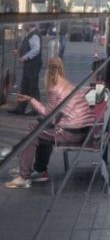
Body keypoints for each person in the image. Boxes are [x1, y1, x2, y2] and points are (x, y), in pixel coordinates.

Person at [4, 58, 95, 189]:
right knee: (37, 128)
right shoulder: (67, 84)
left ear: (48, 73)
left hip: (70, 133)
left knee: (34, 134)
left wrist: (31, 100)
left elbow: (49, 115)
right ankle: (40, 170)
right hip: (82, 131)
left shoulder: (55, 88)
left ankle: (24, 176)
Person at [10, 23, 43, 115]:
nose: (23, 26)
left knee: (33, 87)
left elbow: (36, 49)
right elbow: (29, 48)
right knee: (24, 86)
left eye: (24, 24)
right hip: (30, 65)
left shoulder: (34, 35)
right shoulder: (31, 34)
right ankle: (20, 108)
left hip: (33, 65)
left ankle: (36, 110)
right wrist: (19, 52)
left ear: (28, 25)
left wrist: (24, 57)